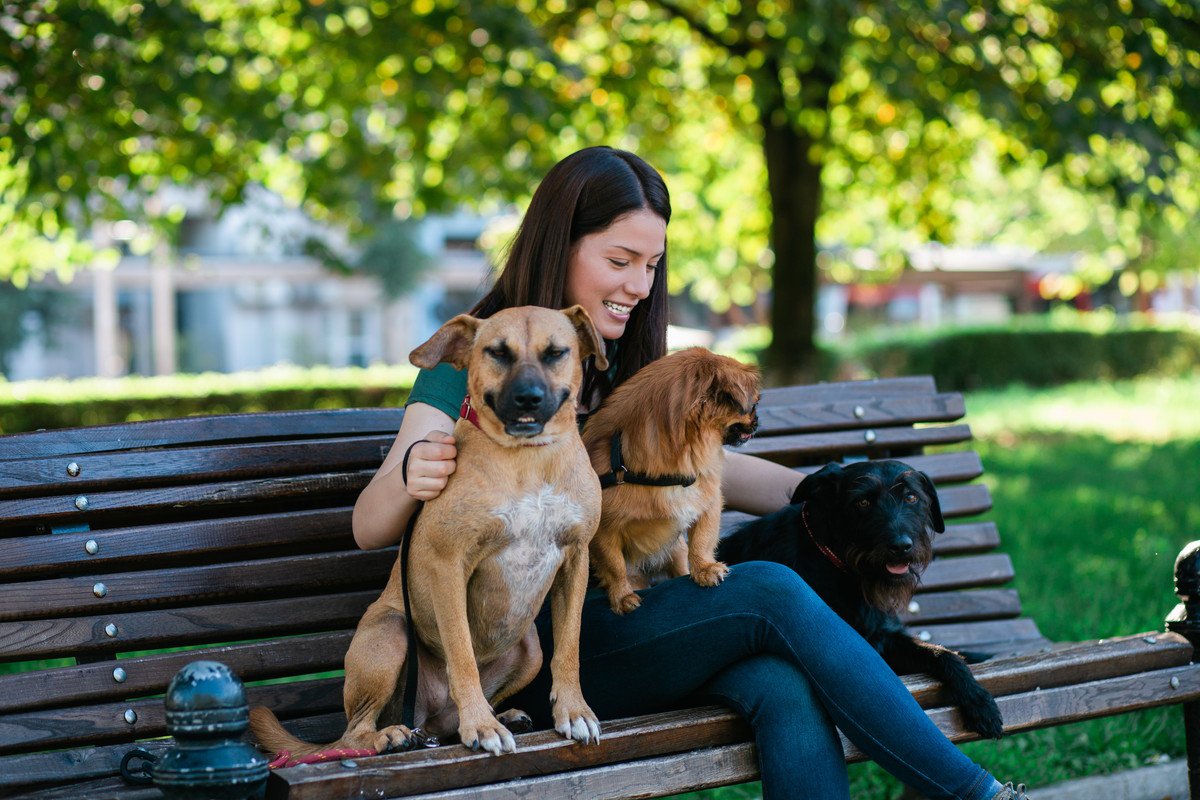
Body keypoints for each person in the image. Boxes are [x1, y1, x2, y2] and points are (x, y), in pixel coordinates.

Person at [352, 146, 1027, 800]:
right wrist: (414, 469)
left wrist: (834, 495)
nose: (637, 286)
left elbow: (705, 469)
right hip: (527, 660)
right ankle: (977, 793)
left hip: (638, 624)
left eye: (651, 265)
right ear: (561, 246)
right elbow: (369, 524)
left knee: (779, 683)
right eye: (619, 261)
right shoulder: (481, 361)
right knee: (767, 587)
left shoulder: (616, 360)